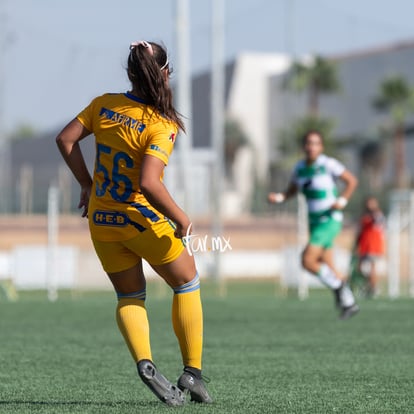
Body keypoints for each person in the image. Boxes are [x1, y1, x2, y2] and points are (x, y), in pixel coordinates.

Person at [56, 40, 212, 406]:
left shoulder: (104, 104)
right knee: (187, 282)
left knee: (129, 295)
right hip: (141, 220)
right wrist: (182, 219)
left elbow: (65, 140)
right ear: (167, 73)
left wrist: (86, 184)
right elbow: (148, 183)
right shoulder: (160, 123)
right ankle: (192, 373)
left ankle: (145, 363)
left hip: (102, 218)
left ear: (129, 73)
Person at [268, 130, 359, 320]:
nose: (311, 147)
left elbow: (351, 181)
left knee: (307, 260)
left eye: (316, 143)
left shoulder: (328, 164)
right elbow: (291, 191)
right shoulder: (299, 168)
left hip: (329, 220)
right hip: (314, 222)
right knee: (328, 266)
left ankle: (338, 287)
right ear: (304, 147)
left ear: (321, 147)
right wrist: (278, 198)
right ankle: (349, 303)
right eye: (308, 143)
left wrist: (342, 200)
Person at [354, 196, 386, 297]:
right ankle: (371, 285)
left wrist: (375, 214)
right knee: (360, 268)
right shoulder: (364, 215)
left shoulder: (377, 214)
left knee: (372, 268)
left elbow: (380, 223)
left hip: (374, 245)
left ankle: (373, 289)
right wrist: (356, 244)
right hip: (364, 245)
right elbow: (360, 231)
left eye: (372, 203)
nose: (370, 205)